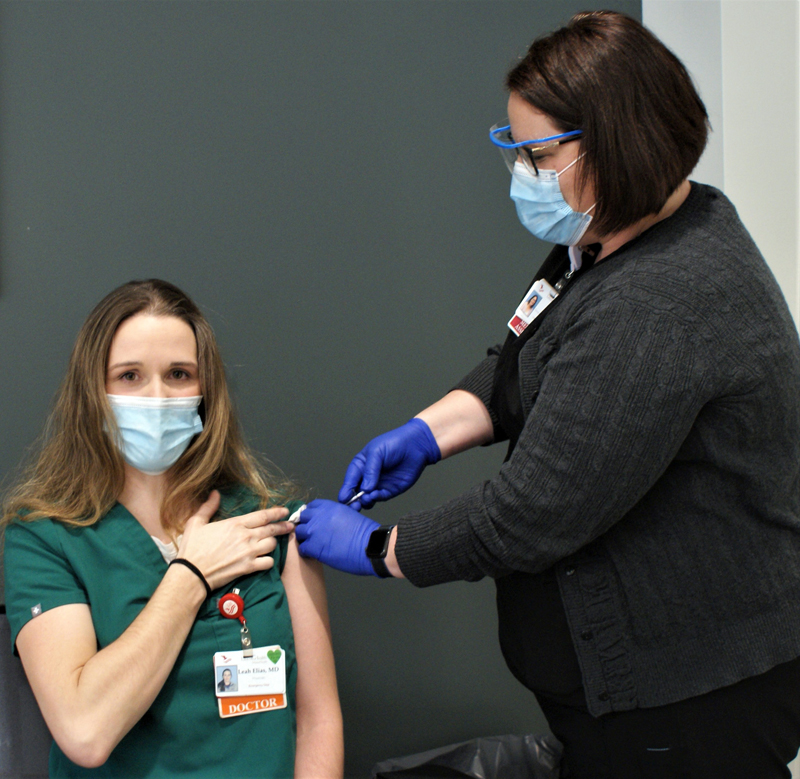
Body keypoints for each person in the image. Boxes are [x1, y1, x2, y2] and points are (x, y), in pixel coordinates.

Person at [294, 11, 800, 779]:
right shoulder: (600, 243)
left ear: (618, 144)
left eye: (537, 154)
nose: (523, 173)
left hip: (691, 700)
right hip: (625, 696)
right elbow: (523, 360)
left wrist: (375, 548)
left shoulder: (660, 303)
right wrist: (428, 432)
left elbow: (529, 515)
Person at [2, 279, 343, 778]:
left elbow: (318, 720)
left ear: (206, 391)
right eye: (129, 376)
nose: (157, 396)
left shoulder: (272, 522)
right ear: (92, 391)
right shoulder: (43, 539)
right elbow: (84, 732)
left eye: (179, 374)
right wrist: (190, 574)